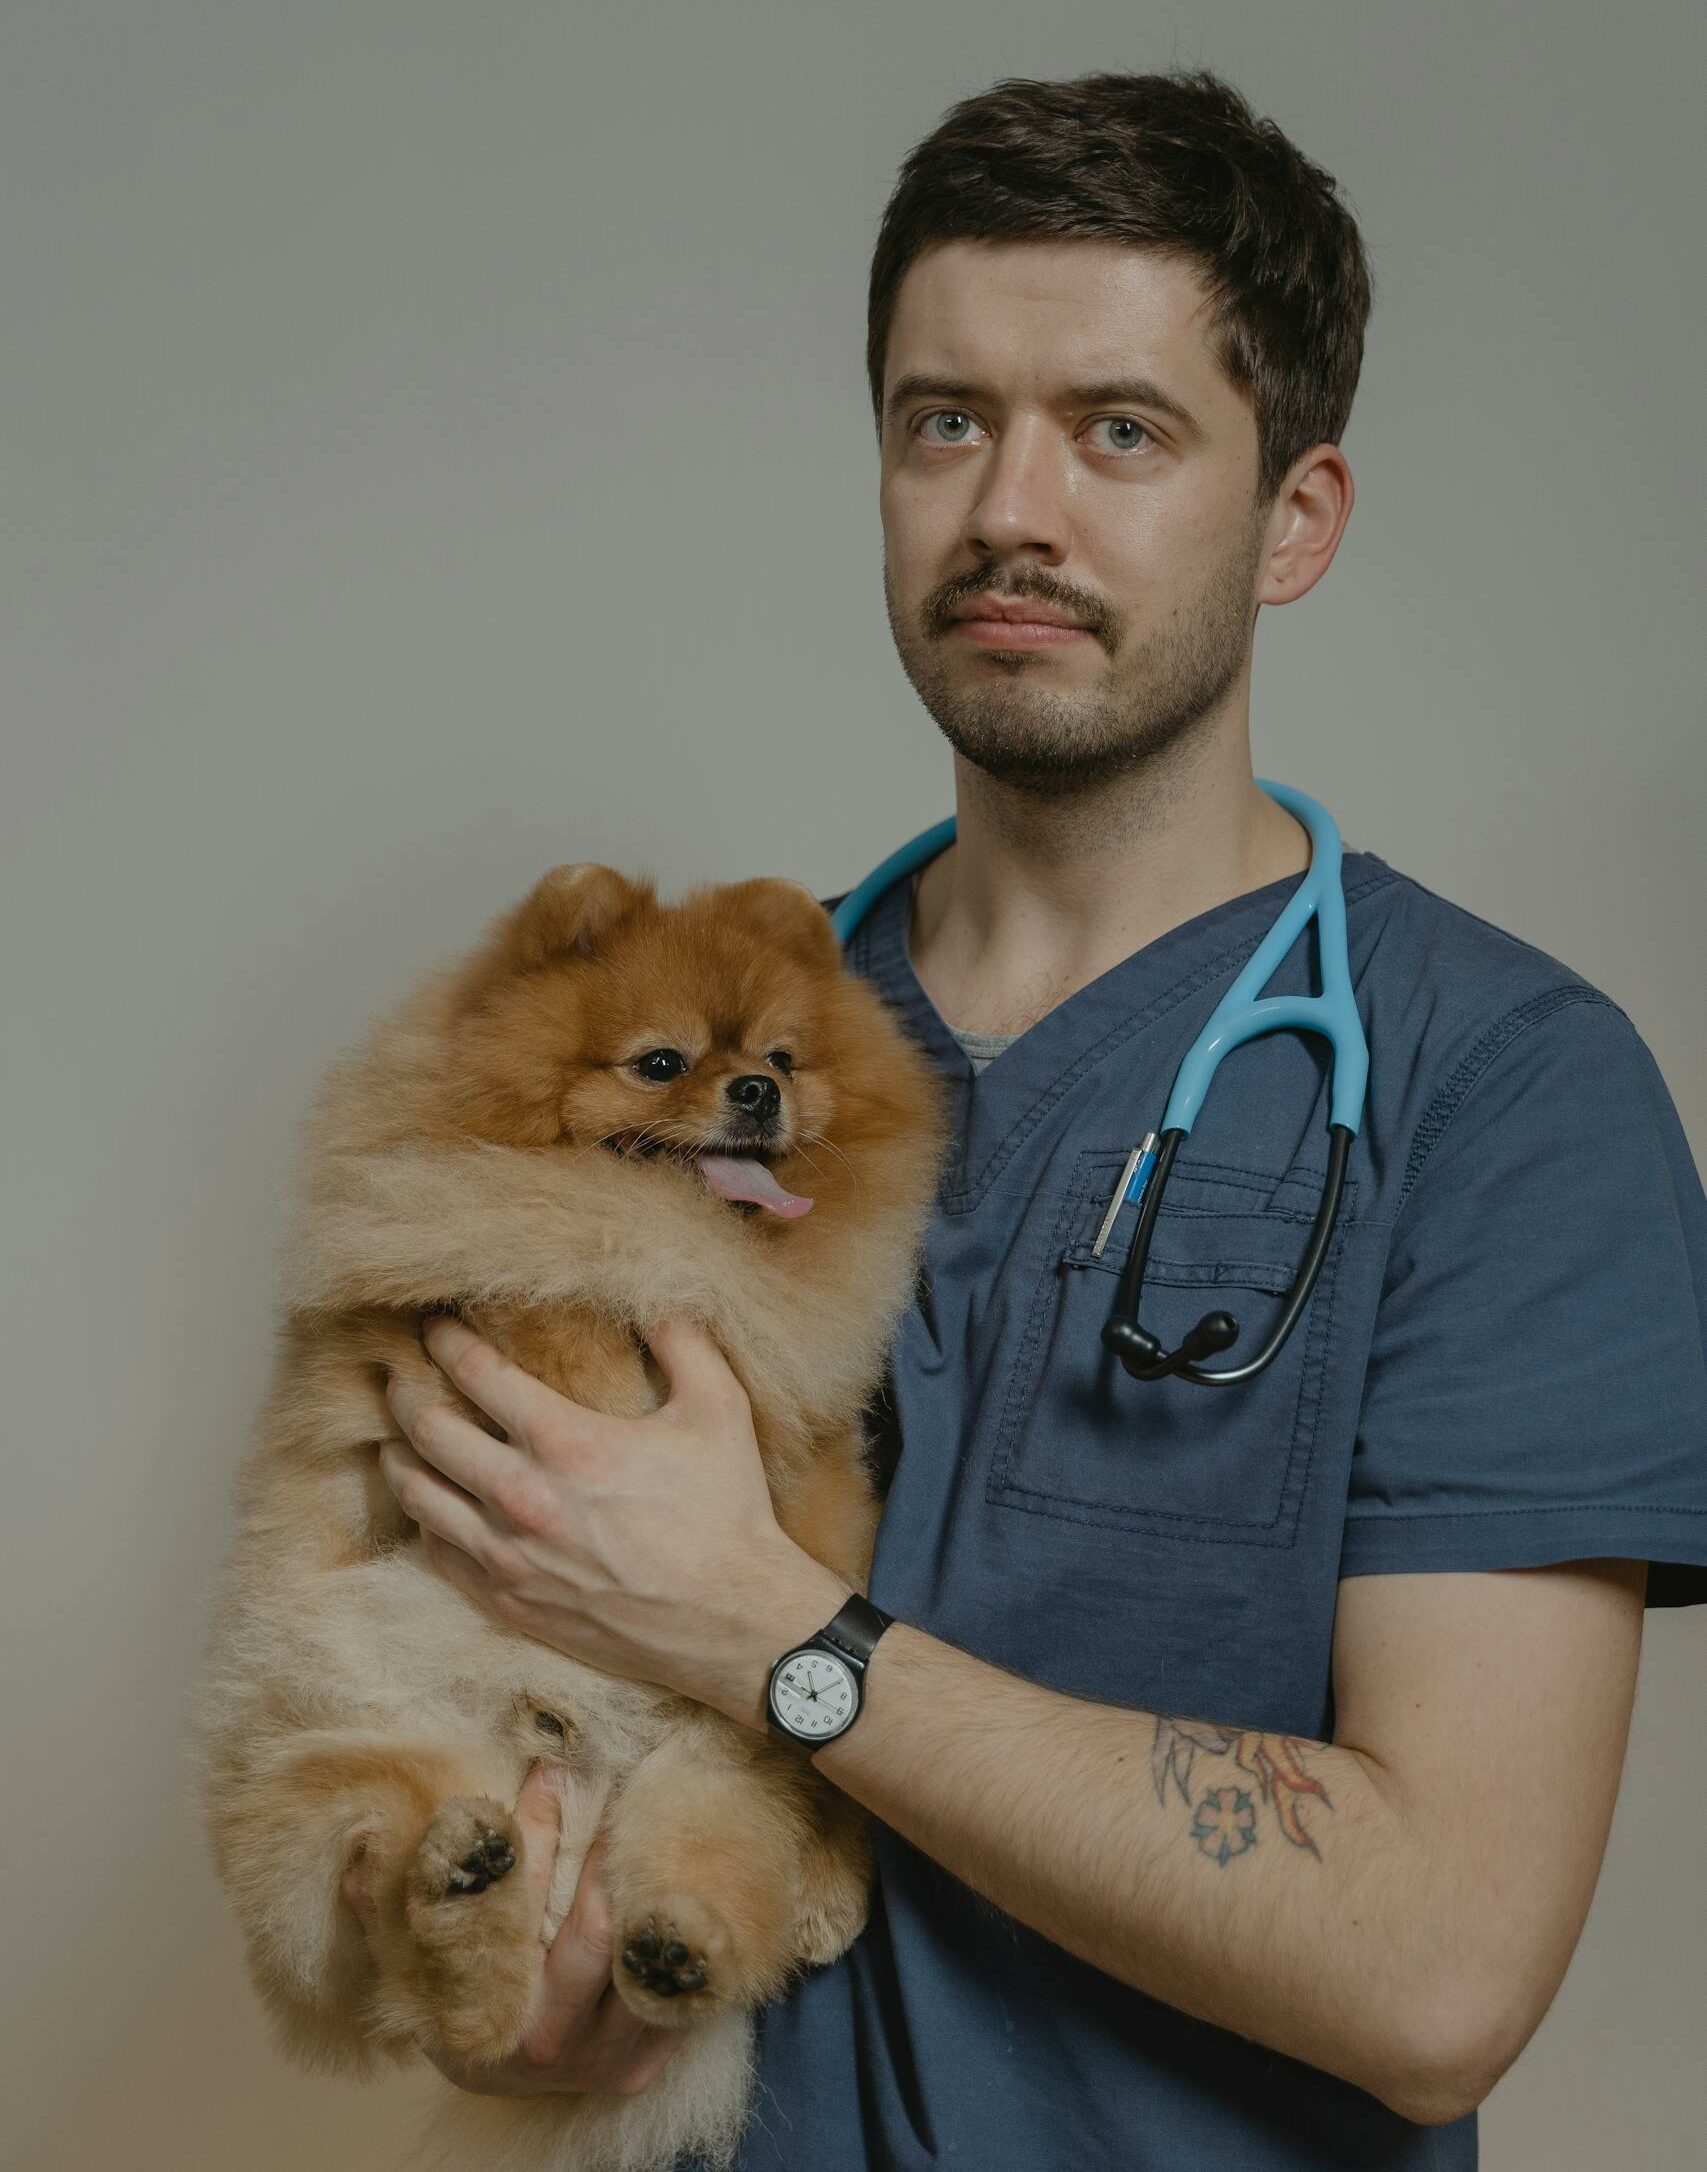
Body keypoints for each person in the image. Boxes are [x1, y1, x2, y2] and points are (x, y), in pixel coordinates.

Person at [351, 67, 1707, 2169]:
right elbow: (487, 1807)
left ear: (1295, 518)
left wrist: (758, 1628)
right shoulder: (686, 1065)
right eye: (941, 419)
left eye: (1119, 430)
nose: (1009, 508)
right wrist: (517, 1965)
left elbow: (1437, 1976)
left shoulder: (1499, 1091)